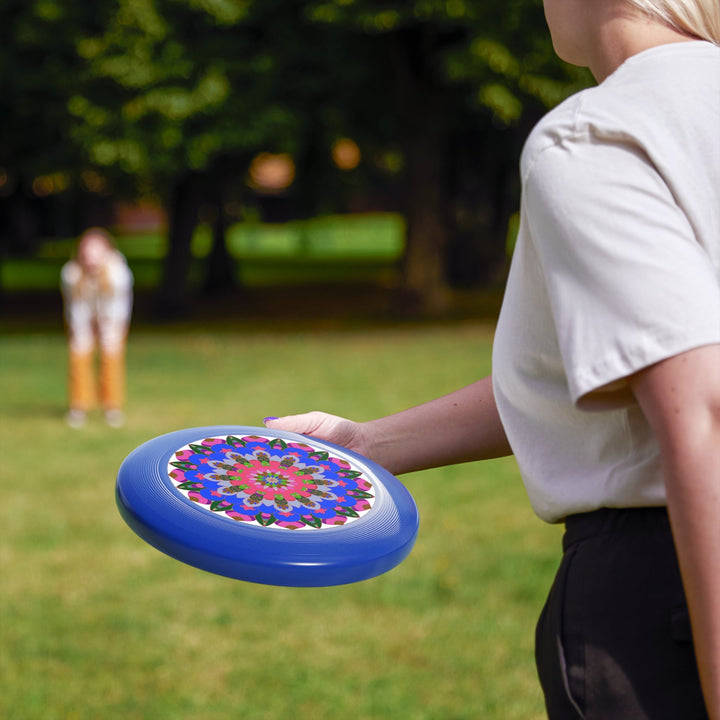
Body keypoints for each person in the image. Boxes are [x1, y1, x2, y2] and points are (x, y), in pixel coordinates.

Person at [264, 1, 720, 717]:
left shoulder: (600, 134)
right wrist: (367, 444)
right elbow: (609, 370)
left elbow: (701, 408)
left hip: (669, 595)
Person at [60, 227, 133, 428]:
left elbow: (118, 306)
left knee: (111, 357)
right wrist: (84, 328)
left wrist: (106, 326)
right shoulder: (71, 273)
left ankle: (112, 406)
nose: (91, 257)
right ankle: (79, 406)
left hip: (112, 319)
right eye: (87, 251)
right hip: (82, 319)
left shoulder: (118, 273)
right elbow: (76, 306)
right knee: (79, 354)